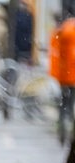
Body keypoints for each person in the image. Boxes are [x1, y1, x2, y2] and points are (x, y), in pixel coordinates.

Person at [49, 15, 75, 145]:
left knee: (64, 103)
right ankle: (68, 129)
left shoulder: (60, 32)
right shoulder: (71, 31)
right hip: (71, 76)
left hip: (63, 76)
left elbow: (55, 54)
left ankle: (62, 128)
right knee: (69, 104)